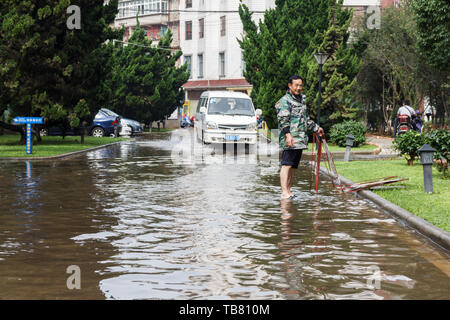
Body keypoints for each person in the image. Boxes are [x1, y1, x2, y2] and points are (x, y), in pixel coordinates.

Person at [275, 75, 325, 200]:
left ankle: (289, 190)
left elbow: (306, 120)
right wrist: (287, 135)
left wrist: (316, 128)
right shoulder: (285, 101)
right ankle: (284, 192)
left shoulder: (301, 101)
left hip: (300, 139)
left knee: (293, 166)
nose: (298, 88)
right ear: (290, 86)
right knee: (286, 164)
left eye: (300, 85)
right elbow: (283, 120)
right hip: (290, 139)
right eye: (296, 85)